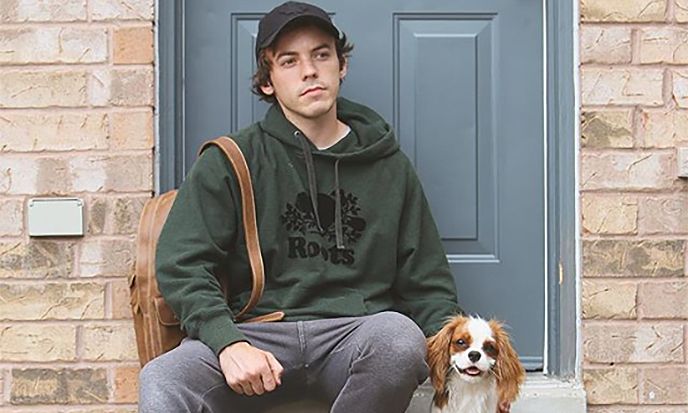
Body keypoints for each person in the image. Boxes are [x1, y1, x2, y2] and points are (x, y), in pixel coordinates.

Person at [139, 2, 471, 412]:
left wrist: (458, 364)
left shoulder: (389, 166)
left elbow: (428, 282)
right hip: (258, 333)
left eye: (321, 54)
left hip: (353, 336)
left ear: (341, 66)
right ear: (267, 81)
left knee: (398, 340)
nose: (309, 71)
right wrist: (228, 341)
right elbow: (182, 263)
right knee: (163, 378)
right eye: (289, 61)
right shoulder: (232, 159)